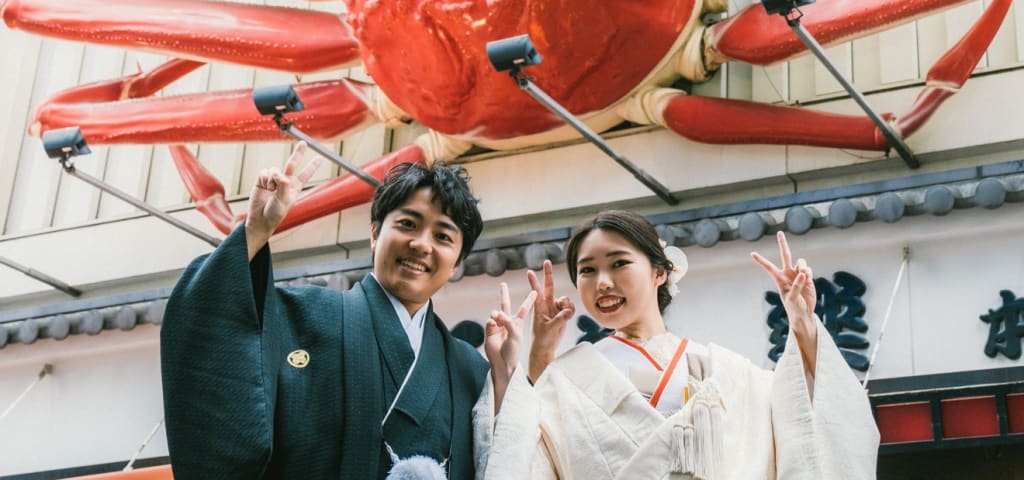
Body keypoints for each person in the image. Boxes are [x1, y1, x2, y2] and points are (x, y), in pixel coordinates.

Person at [161, 144, 530, 480]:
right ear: (374, 234)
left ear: (456, 264)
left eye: (443, 236)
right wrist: (257, 229)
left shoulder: (469, 368)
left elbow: (501, 466)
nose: (421, 244)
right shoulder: (302, 317)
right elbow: (211, 322)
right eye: (407, 224)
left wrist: (504, 377)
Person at [481, 209, 879, 479]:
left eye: (618, 263)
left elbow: (803, 420)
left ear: (659, 272)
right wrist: (536, 357)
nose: (602, 281)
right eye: (587, 270)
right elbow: (521, 456)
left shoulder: (722, 370)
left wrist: (803, 323)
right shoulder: (565, 376)